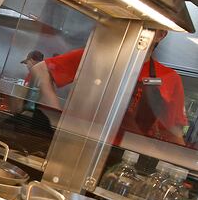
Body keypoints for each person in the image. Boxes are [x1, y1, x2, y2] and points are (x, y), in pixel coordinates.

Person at [29, 30, 187, 145]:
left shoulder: (168, 78)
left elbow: (173, 132)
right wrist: (55, 117)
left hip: (126, 157)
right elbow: (40, 70)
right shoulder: (97, 57)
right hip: (76, 143)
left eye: (148, 28)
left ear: (161, 35)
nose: (139, 32)